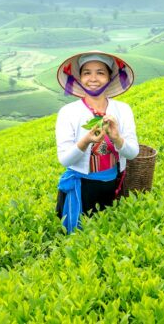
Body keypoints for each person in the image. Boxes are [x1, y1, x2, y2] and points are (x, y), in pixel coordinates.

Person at [54, 51, 139, 233]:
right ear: (79, 78)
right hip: (82, 189)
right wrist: (85, 141)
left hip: (113, 186)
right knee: (79, 241)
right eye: (87, 73)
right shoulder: (68, 112)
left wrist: (117, 138)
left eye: (100, 72)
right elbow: (64, 160)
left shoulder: (123, 110)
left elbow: (133, 153)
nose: (93, 78)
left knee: (107, 237)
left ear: (110, 77)